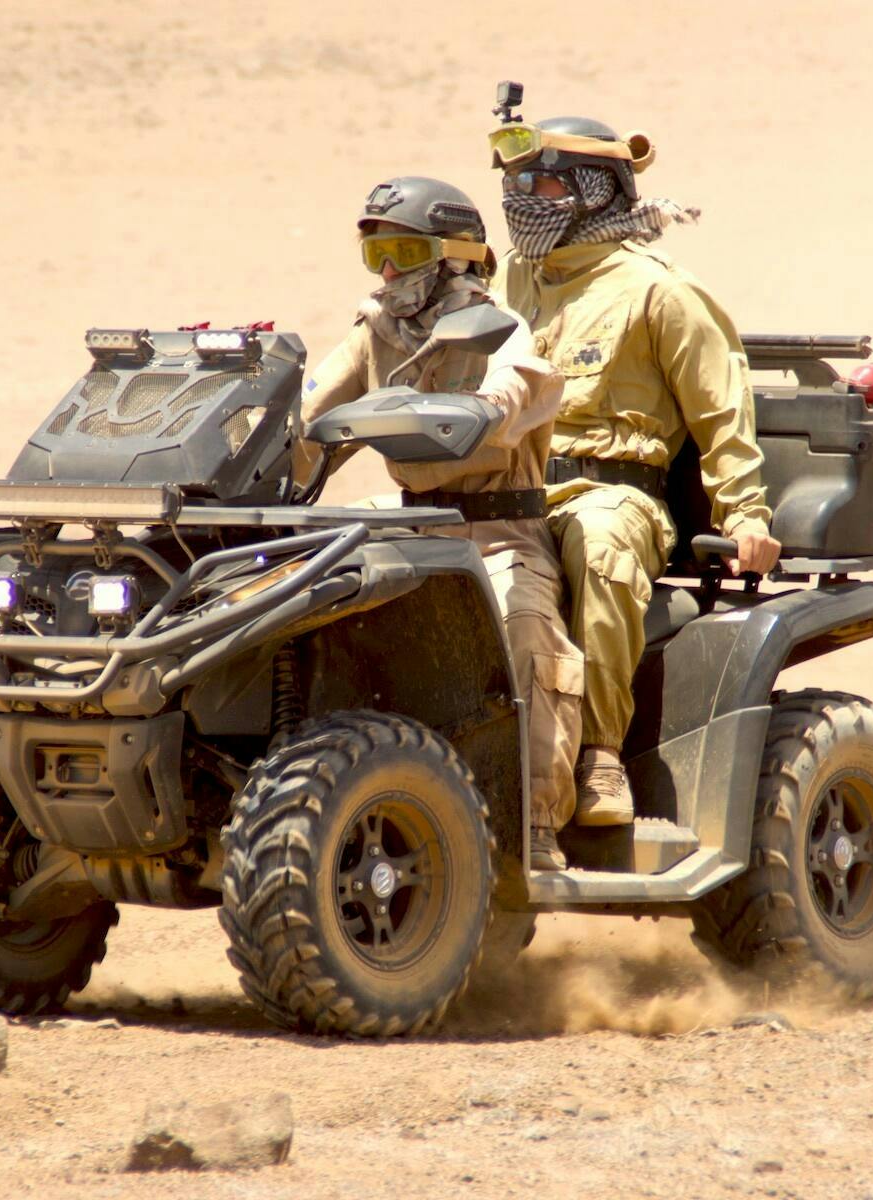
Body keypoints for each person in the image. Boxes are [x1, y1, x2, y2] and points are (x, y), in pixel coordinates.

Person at [489, 111, 782, 825]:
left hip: (616, 494)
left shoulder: (658, 292)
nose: (522, 196)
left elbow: (722, 415)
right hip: (511, 489)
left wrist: (746, 514)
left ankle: (597, 759)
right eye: (515, 180)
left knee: (598, 545)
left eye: (544, 180)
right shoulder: (507, 285)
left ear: (596, 189)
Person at [296, 176, 583, 870]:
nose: (388, 270)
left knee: (523, 633)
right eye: (376, 254)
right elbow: (307, 428)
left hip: (496, 530)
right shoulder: (375, 333)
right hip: (414, 529)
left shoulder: (497, 324)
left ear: (453, 255)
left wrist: (487, 406)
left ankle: (534, 822)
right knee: (291, 595)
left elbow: (523, 383)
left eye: (402, 250)